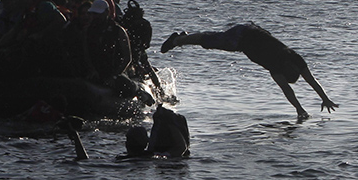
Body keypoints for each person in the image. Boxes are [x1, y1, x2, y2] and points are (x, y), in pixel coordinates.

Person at [160, 22, 337, 120]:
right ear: (290, 69)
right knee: (208, 40)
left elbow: (293, 88)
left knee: (210, 40)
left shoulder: (283, 65)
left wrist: (316, 102)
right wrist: (311, 105)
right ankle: (178, 40)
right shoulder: (290, 60)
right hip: (243, 36)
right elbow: (303, 84)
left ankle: (183, 37)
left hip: (245, 37)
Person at [117, 105, 190, 160]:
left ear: (126, 144)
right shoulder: (154, 157)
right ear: (146, 142)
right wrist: (169, 123)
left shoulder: (120, 158)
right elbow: (181, 148)